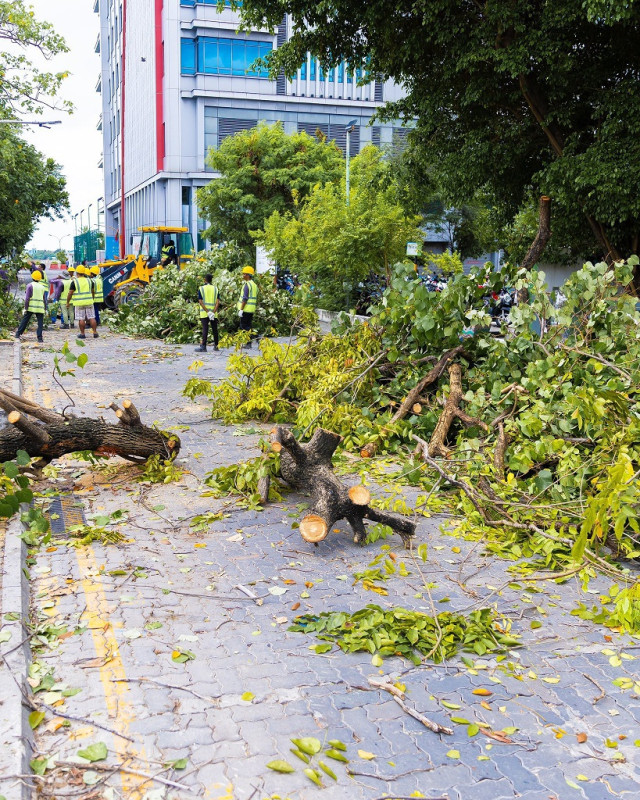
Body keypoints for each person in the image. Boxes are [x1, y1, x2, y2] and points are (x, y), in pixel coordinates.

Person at [15, 270, 48, 343]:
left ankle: (18, 334)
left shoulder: (29, 285)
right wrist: (46, 308)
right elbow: (44, 299)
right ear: (40, 278)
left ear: (32, 277)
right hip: (40, 307)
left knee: (25, 321)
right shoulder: (42, 287)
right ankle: (40, 338)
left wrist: (25, 308)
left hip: (31, 307)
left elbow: (27, 298)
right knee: (40, 323)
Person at [67, 265, 98, 339]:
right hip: (89, 301)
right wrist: (92, 298)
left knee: (81, 318)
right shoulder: (90, 281)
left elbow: (70, 293)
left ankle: (82, 334)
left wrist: (67, 302)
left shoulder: (75, 282)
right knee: (92, 317)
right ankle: (95, 332)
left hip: (79, 303)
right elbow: (93, 291)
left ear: (77, 273)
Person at [195, 273, 220, 353]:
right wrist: (213, 312)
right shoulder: (215, 289)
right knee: (214, 329)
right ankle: (216, 346)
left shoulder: (201, 288)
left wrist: (207, 312)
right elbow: (218, 302)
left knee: (205, 329)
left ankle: (203, 347)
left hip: (204, 313)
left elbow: (200, 302)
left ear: (205, 280)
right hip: (213, 313)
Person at [237, 265, 258, 348]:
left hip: (246, 309)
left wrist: (241, 309)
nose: (243, 276)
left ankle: (249, 342)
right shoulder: (254, 285)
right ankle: (254, 339)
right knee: (248, 326)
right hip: (251, 309)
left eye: (244, 274)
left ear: (248, 275)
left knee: (244, 327)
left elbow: (245, 298)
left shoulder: (247, 285)